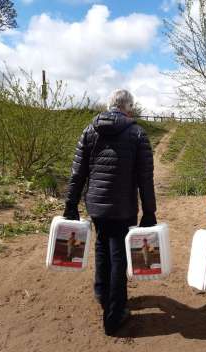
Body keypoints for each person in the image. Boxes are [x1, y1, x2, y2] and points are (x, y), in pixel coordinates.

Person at [63, 89, 157, 336]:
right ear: (128, 107)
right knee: (118, 256)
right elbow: (145, 178)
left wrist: (71, 204)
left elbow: (77, 173)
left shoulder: (90, 130)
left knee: (102, 246)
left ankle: (102, 294)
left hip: (96, 205)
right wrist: (149, 212)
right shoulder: (137, 133)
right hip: (124, 207)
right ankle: (114, 316)